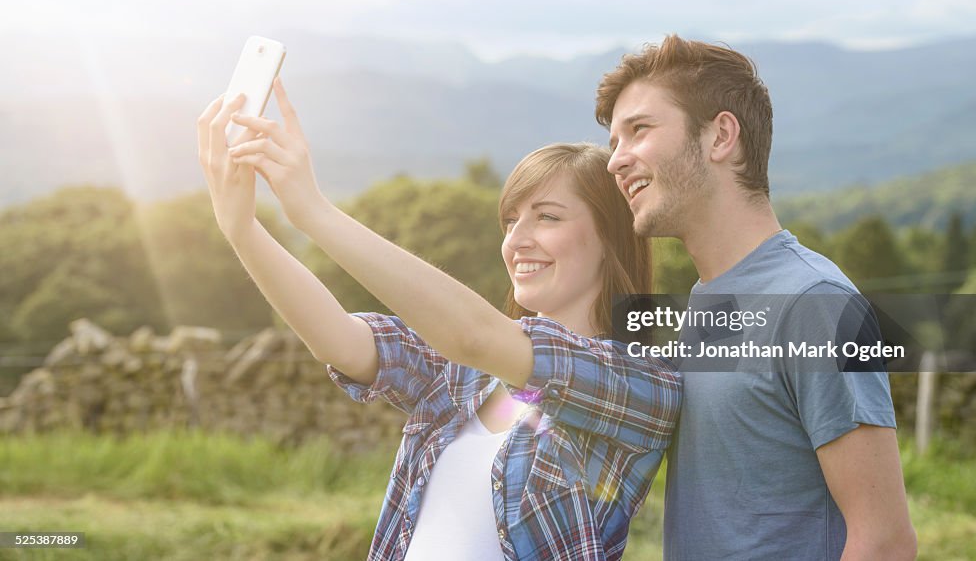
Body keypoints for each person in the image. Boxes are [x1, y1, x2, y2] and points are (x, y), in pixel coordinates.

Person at [197, 79, 682, 561]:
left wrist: (313, 212)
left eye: (547, 217)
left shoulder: (637, 382)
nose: (517, 241)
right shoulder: (475, 379)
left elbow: (474, 334)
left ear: (611, 237)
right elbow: (343, 342)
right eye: (511, 221)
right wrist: (242, 229)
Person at [597, 36, 917, 560]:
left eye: (639, 130)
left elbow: (885, 542)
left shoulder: (817, 303)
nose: (616, 162)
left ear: (721, 135)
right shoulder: (707, 301)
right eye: (615, 142)